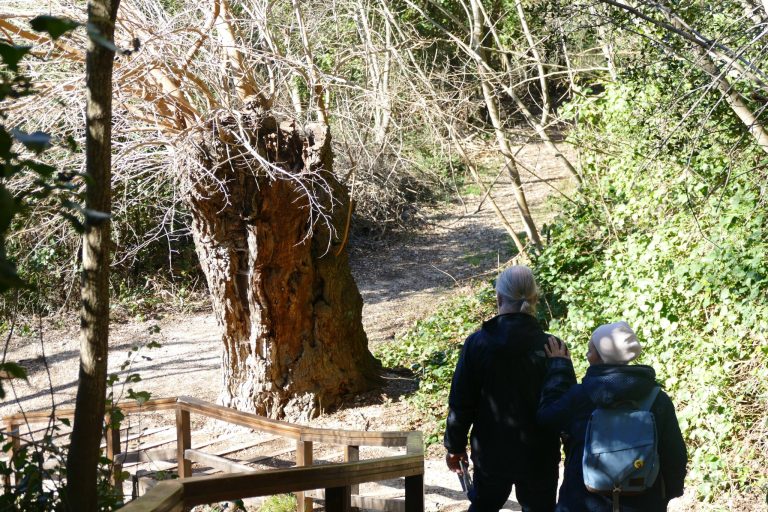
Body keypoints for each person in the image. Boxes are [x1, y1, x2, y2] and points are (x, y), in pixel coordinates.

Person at [444, 265, 560, 512]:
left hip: (491, 454)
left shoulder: (477, 344)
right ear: (535, 299)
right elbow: (564, 405)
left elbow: (461, 402)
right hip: (540, 453)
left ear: (498, 298)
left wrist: (454, 447)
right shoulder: (553, 347)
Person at [537, 321, 688, 512]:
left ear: (600, 357)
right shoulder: (657, 398)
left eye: (590, 349)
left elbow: (546, 418)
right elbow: (674, 453)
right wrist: (666, 494)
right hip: (644, 500)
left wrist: (559, 368)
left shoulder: (581, 396)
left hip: (583, 501)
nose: (586, 354)